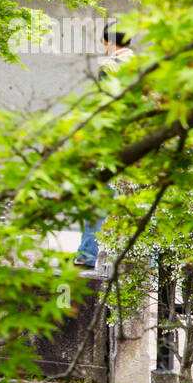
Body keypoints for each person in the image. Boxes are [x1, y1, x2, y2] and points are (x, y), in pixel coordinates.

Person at [74, 22, 133, 269]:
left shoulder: (108, 66)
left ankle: (88, 253)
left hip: (110, 141)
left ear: (108, 42)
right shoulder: (143, 65)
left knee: (97, 196)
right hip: (139, 139)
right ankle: (140, 257)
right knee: (135, 198)